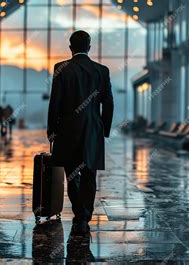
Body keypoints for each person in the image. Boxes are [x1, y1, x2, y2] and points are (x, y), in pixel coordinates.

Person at [47, 30, 114, 236]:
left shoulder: (61, 68)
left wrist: (52, 129)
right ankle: (85, 216)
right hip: (93, 130)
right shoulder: (102, 71)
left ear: (70, 48)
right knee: (89, 175)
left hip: (68, 130)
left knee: (72, 174)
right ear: (89, 48)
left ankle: (79, 214)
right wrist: (104, 129)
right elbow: (108, 104)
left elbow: (55, 102)